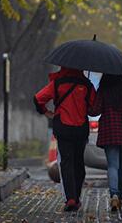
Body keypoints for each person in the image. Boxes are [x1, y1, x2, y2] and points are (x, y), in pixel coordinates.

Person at [34, 67, 96, 211]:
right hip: (80, 129)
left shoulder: (58, 83)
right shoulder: (86, 84)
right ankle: (77, 197)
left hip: (63, 128)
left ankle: (71, 198)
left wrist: (46, 112)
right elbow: (94, 108)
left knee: (67, 163)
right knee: (79, 162)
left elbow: (38, 98)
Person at [89, 74, 122, 211]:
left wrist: (90, 99)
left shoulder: (103, 91)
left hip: (109, 133)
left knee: (112, 166)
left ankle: (114, 195)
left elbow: (95, 111)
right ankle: (121, 197)